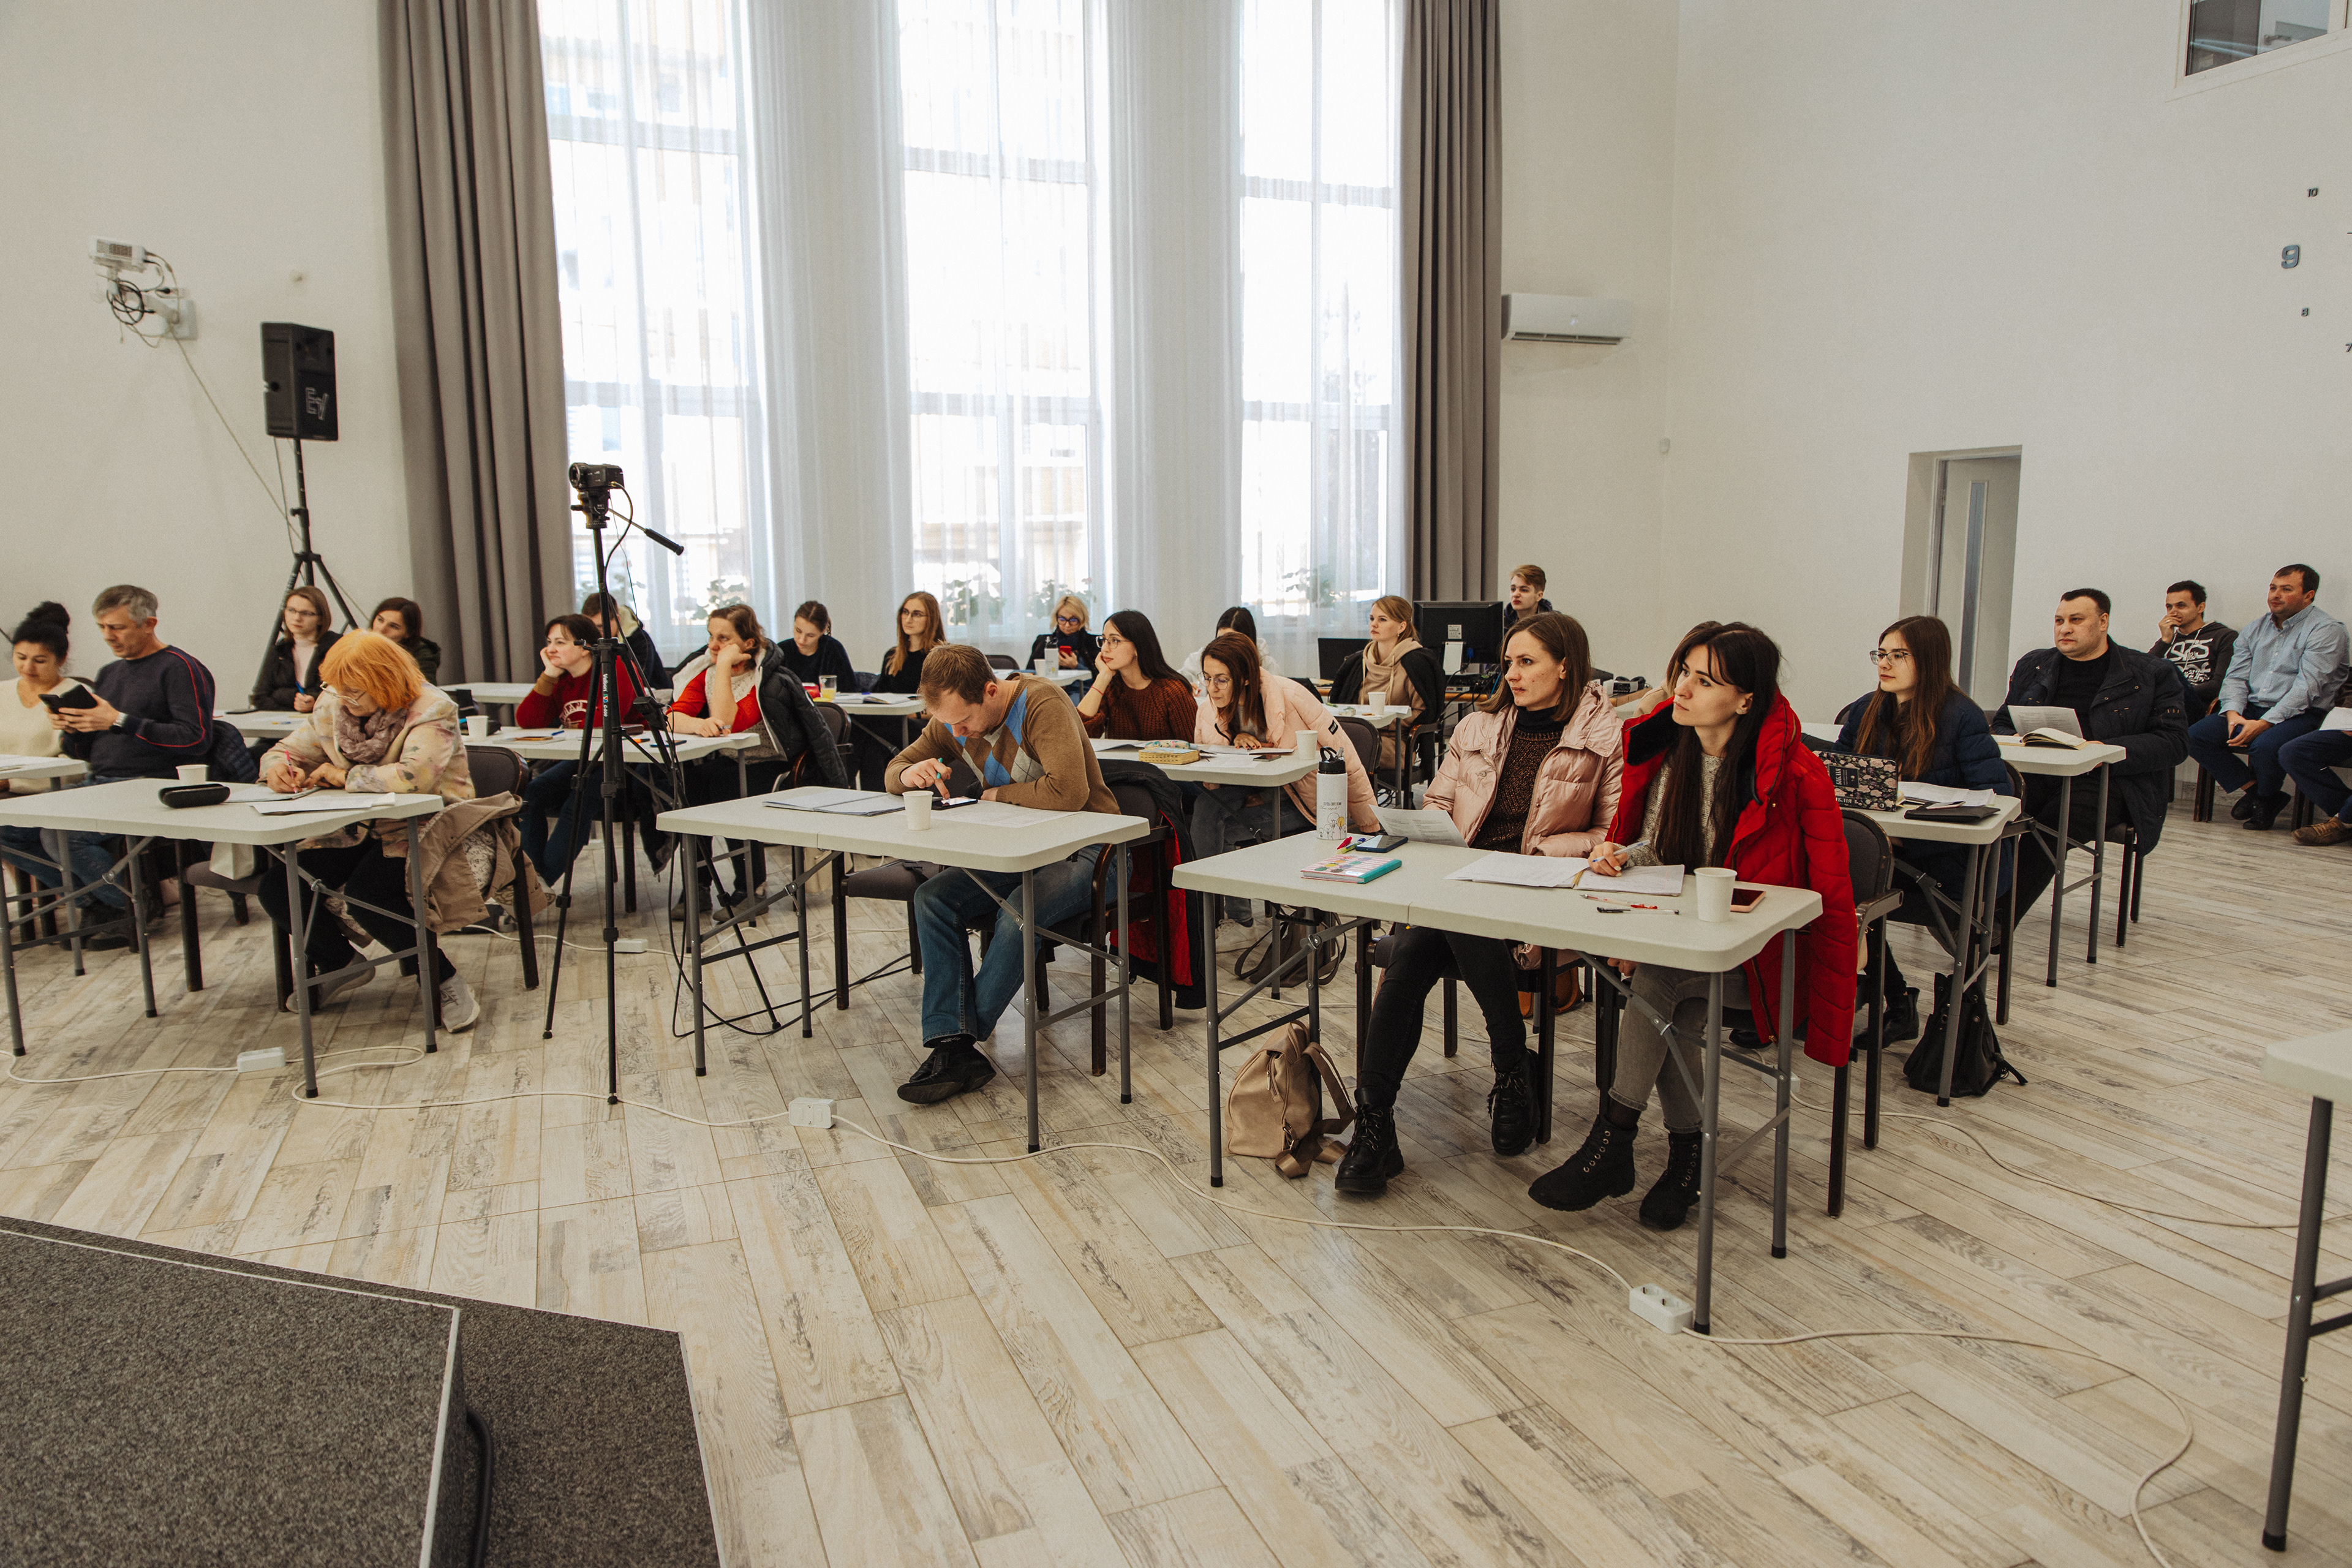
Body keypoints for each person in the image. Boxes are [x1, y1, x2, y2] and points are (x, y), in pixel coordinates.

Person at [1528, 622, 1855, 1231]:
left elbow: (1831, 898)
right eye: (1683, 672)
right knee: (1672, 1001)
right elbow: (1664, 849)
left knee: (1660, 981)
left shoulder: (1795, 776)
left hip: (1762, 962)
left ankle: (1614, 1139)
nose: (1680, 689)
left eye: (1704, 681)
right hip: (1689, 947)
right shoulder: (1674, 755)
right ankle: (1686, 1159)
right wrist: (1623, 856)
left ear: (1745, 700)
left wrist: (1833, 1010)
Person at [1336, 612, 1623, 1196]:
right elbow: (1440, 800)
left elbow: (1612, 833)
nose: (1511, 675)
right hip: (1461, 881)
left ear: (1565, 666)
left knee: (1440, 926)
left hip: (1539, 894)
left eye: (1527, 663)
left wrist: (1541, 852)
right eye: (1509, 663)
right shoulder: (1478, 726)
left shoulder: (1605, 736)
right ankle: (1403, 1108)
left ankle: (1390, 1120)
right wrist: (1431, 828)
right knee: (1422, 941)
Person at [881, 643, 1121, 1105]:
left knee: (1017, 913)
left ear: (991, 691)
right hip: (1019, 852)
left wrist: (995, 796)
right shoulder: (952, 717)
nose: (956, 733)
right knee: (932, 898)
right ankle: (955, 1046)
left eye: (963, 722)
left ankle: (955, 1048)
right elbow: (894, 768)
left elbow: (1069, 793)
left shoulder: (1041, 703)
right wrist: (910, 775)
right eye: (948, 724)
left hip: (1094, 851)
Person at [257, 630, 480, 1028]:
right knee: (279, 884)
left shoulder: (432, 708)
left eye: (355, 692)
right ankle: (339, 963)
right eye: (337, 689)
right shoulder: (333, 704)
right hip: (359, 825)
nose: (344, 699)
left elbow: (415, 777)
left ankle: (442, 978)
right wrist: (278, 768)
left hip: (428, 824)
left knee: (368, 893)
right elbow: (287, 750)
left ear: (385, 681)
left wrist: (344, 777)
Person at [1834, 615, 2011, 1044]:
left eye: (1899, 655)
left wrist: (1906, 835)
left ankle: (1886, 999)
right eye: (1881, 654)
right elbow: (1836, 774)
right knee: (1826, 881)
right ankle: (1881, 998)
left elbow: (1995, 798)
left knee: (1848, 886)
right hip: (1882, 852)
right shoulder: (1866, 708)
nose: (1884, 664)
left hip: (1943, 860)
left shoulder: (1961, 716)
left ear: (1929, 660)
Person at [1994, 589, 2187, 913]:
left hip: (2109, 780)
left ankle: (1991, 923)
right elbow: (2002, 722)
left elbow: (2175, 742)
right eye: (2059, 621)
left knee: (2053, 825)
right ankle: (1962, 906)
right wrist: (2015, 738)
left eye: (2076, 620)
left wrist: (2107, 750)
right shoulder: (2035, 664)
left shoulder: (2151, 672)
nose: (2065, 629)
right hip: (2037, 771)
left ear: (2103, 622)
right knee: (1992, 812)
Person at [51, 586, 219, 941]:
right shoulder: (110, 672)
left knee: (62, 834)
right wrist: (73, 728)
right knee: (11, 829)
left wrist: (120, 720)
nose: (108, 636)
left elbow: (195, 739)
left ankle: (131, 904)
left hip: (150, 784)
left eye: (117, 627)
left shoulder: (180, 668)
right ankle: (102, 902)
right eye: (102, 627)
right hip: (102, 780)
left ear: (149, 624)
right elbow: (87, 751)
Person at [666, 603, 851, 906]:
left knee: (728, 789)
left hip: (773, 763)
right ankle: (697, 887)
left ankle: (752, 888)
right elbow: (672, 718)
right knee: (692, 785)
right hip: (731, 760)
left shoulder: (768, 680)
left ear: (748, 643)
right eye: (711, 636)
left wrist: (723, 667)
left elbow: (728, 721)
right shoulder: (705, 674)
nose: (713, 646)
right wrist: (699, 724)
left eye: (723, 639)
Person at [1189, 631, 1378, 923]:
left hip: (1301, 798)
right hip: (1248, 792)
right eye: (1207, 678)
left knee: (1217, 830)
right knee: (1206, 808)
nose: (1212, 688)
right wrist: (1235, 739)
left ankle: (1229, 920)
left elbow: (1344, 754)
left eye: (1222, 680)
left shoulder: (1291, 696)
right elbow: (1212, 769)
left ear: (1246, 678)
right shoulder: (1207, 711)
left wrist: (1369, 822)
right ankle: (1209, 920)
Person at [2185, 565, 2348, 831]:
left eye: (2286, 589)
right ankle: (2263, 796)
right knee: (2195, 736)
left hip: (2304, 712)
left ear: (2308, 595)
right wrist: (2233, 713)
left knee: (2265, 746)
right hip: (2251, 708)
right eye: (2273, 588)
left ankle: (2264, 798)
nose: (2275, 595)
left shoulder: (2327, 630)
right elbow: (2235, 677)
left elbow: (2308, 688)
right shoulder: (2255, 628)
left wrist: (2265, 723)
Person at [514, 613, 641, 884]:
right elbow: (528, 721)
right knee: (530, 794)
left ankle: (537, 887)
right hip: (580, 760)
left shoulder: (614, 669)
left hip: (622, 763)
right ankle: (531, 884)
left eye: (560, 642)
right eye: (549, 642)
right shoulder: (561, 679)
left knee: (578, 802)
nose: (550, 649)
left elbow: (605, 721)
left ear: (586, 648)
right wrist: (549, 675)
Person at [0, 604, 89, 900]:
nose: (28, 668)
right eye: (20, 658)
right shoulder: (3, 692)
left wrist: (12, 782)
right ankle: (85, 897)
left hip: (53, 795)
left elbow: (80, 766)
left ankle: (86, 896)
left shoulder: (73, 696)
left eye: (40, 661)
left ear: (61, 660)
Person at [1327, 595, 1441, 772]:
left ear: (1401, 627)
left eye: (1382, 620)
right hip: (1358, 736)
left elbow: (1423, 712)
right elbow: (1340, 704)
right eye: (1372, 619)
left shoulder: (1416, 663)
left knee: (1345, 750)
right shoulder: (1357, 662)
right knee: (1322, 745)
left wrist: (1385, 721)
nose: (1374, 625)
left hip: (1396, 743)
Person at [855, 592, 946, 788]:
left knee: (871, 739)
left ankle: (869, 792)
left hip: (922, 725)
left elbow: (947, 707)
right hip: (891, 722)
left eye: (916, 614)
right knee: (857, 728)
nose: (908, 619)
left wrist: (913, 713)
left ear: (931, 619)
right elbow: (881, 698)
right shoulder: (892, 656)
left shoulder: (940, 656)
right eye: (905, 612)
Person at [1075, 610, 1196, 741]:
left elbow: (1194, 745)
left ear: (1138, 647)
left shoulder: (1172, 691)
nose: (1104, 649)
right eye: (1104, 640)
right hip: (1120, 756)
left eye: (1115, 640)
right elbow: (1079, 734)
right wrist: (1102, 678)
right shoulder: (1112, 686)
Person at [252, 586, 342, 713]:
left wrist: (313, 700)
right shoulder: (281, 649)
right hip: (285, 720)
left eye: (306, 613)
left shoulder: (338, 647)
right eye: (291, 610)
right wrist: (295, 703)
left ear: (321, 619)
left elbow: (340, 694)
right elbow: (260, 698)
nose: (296, 618)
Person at [2149, 580, 2233, 716]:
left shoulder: (2224, 636)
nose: (2173, 612)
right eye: (2169, 607)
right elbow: (2143, 673)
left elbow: (2219, 684)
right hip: (2166, 703)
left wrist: (2175, 692)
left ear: (2200, 608)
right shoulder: (2169, 639)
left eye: (2181, 606)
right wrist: (2164, 641)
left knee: (2166, 665)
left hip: (2198, 704)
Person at [581, 591, 669, 692]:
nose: (596, 633)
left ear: (617, 619)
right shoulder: (589, 641)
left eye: (601, 627)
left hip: (654, 695)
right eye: (591, 628)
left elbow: (639, 681)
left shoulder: (640, 639)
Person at [1181, 606, 1283, 685]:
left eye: (1231, 642)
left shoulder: (1267, 666)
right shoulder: (1199, 659)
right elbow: (1180, 683)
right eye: (1220, 640)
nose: (1224, 648)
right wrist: (1188, 689)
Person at [777, 600, 857, 690]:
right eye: (798, 631)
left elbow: (850, 690)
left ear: (823, 631)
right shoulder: (781, 651)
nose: (802, 640)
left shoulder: (833, 649)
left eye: (811, 636)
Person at [368, 597, 442, 684]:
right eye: (380, 620)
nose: (382, 629)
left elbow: (426, 689)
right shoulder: (360, 645)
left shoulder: (423, 655)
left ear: (408, 633)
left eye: (393, 626)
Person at [1027, 594, 1100, 677]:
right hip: (1050, 685)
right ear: (1056, 618)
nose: (1067, 625)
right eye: (1062, 619)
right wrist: (1051, 666)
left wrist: (1076, 666)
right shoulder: (1043, 642)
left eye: (1073, 620)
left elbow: (1101, 679)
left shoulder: (1093, 642)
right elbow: (1029, 675)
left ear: (1082, 620)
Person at [1501, 564, 1555, 638]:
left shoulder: (1555, 623)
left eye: (1524, 590)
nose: (1516, 594)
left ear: (1539, 596)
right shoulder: (1499, 620)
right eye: (1513, 589)